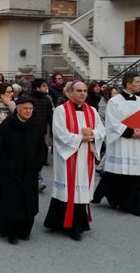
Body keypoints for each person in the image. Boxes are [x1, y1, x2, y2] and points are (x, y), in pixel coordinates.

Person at [44, 81, 105, 241]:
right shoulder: (61, 110)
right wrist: (80, 138)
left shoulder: (92, 110)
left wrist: (92, 134)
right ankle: (63, 224)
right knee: (67, 190)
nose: (83, 93)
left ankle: (77, 225)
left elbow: (101, 130)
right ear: (70, 92)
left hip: (85, 158)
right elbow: (59, 133)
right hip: (68, 158)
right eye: (79, 90)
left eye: (85, 90)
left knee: (80, 190)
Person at [92, 72, 140, 217]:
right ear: (128, 84)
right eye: (137, 82)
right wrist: (131, 132)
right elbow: (112, 123)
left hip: (136, 144)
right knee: (118, 172)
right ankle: (117, 200)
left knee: (134, 175)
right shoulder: (115, 101)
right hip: (121, 142)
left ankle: (134, 205)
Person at [0, 96, 44, 244]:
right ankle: (11, 233)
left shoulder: (35, 126)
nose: (28, 111)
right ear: (18, 109)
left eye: (30, 109)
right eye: (25, 108)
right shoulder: (7, 125)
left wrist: (37, 165)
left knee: (29, 203)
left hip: (30, 172)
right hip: (11, 173)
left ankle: (25, 231)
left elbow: (41, 149)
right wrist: (7, 166)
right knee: (12, 204)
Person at [29, 78, 54, 189]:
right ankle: (38, 180)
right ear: (37, 88)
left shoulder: (47, 100)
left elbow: (50, 117)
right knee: (31, 157)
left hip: (42, 133)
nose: (46, 87)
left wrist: (53, 131)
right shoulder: (28, 99)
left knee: (38, 157)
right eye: (44, 86)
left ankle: (35, 178)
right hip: (29, 133)